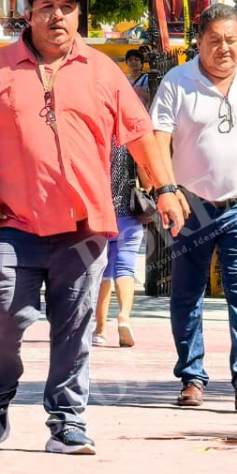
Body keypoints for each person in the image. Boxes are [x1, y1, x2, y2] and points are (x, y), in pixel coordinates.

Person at [0, 0, 189, 455]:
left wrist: (164, 187)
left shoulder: (102, 71)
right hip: (9, 223)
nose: (57, 16)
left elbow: (140, 134)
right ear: (29, 14)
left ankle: (67, 420)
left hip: (84, 228)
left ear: (79, 16)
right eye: (47, 6)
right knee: (2, 322)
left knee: (75, 327)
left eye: (67, 7)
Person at [150, 4, 237, 413]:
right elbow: (158, 139)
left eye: (232, 40)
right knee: (187, 293)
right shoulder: (178, 81)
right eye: (215, 40)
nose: (224, 48)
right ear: (199, 42)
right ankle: (192, 376)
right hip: (191, 205)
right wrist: (166, 189)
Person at [93, 140, 148, 348]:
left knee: (102, 272)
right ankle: (124, 317)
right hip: (129, 217)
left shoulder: (95, 136)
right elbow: (148, 181)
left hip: (100, 216)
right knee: (125, 269)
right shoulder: (131, 140)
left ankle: (100, 330)